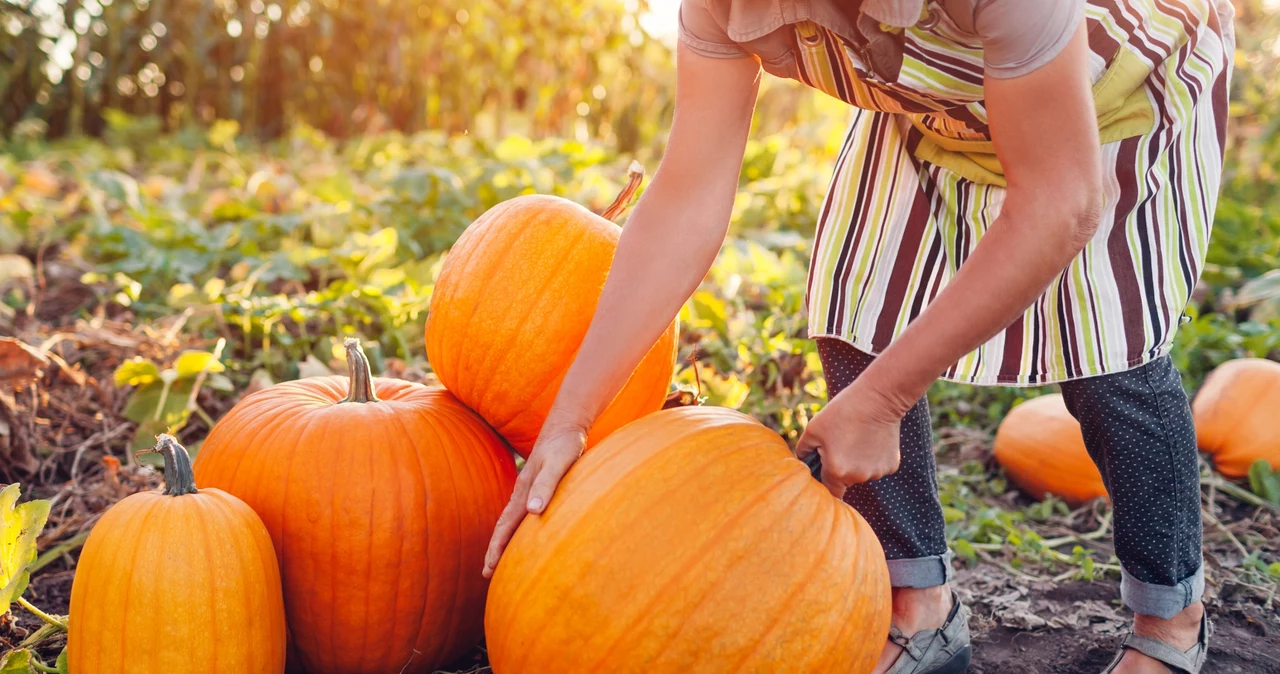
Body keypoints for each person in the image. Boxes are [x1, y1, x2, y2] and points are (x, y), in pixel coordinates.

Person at [481, 1, 1235, 672]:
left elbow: (1061, 203)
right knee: (859, 303)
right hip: (932, 105)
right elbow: (687, 193)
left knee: (1109, 347)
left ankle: (1170, 621)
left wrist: (883, 402)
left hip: (1109, 92)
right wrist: (570, 418)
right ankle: (921, 605)